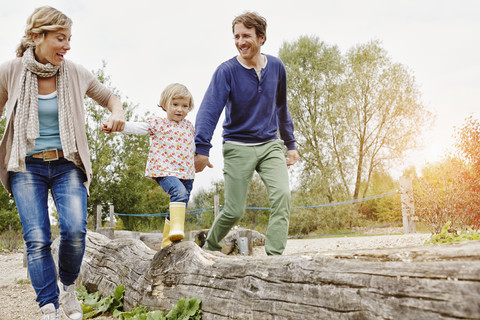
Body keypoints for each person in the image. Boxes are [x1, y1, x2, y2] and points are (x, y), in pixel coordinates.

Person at [0, 6, 125, 320]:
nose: (68, 46)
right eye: (61, 38)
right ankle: (49, 306)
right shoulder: (11, 71)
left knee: (74, 230)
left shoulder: (75, 72)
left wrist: (117, 112)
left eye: (70, 38)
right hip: (26, 166)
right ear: (37, 36)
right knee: (37, 238)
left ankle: (67, 290)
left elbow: (111, 97)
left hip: (67, 163)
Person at [194, 11, 299, 256]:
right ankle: (210, 248)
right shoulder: (226, 71)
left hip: (270, 144)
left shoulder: (276, 67)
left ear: (261, 37)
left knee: (282, 195)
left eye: (246, 36)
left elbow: (281, 106)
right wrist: (201, 149)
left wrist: (290, 143)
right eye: (237, 36)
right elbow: (210, 109)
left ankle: (274, 258)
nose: (241, 41)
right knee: (233, 210)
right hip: (237, 145)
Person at [106, 83, 195, 248]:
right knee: (179, 193)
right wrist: (117, 126)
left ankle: (167, 242)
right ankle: (177, 229)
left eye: (184, 106)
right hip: (164, 170)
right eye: (175, 104)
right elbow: (137, 128)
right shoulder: (158, 124)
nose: (179, 109)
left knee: (181, 202)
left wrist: (203, 157)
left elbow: (194, 146)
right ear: (165, 104)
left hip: (186, 172)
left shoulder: (189, 127)